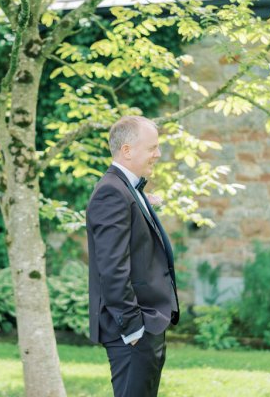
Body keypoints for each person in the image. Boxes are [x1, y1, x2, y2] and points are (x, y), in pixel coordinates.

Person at [86, 115, 180, 397]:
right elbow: (112, 268)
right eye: (152, 147)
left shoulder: (126, 189)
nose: (158, 154)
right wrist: (134, 328)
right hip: (134, 329)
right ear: (127, 150)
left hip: (147, 323)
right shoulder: (111, 192)